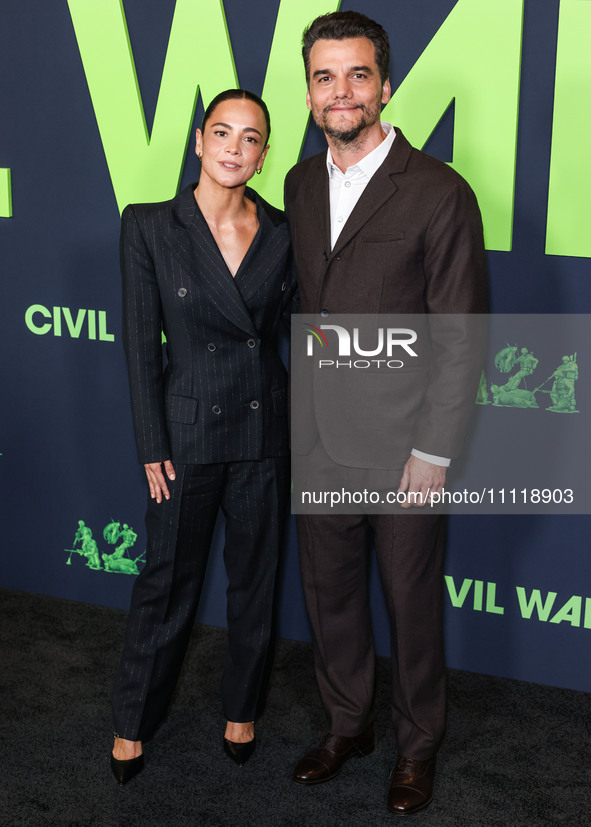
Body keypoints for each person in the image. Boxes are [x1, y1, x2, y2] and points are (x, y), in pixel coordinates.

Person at [284, 12, 487, 816]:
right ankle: (346, 725)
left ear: (384, 85)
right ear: (308, 93)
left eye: (356, 74)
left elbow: (460, 335)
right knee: (329, 596)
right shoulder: (298, 184)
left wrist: (433, 452)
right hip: (317, 442)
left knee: (408, 605)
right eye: (325, 76)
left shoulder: (438, 190)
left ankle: (415, 747)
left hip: (405, 446)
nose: (340, 91)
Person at [110, 89, 295, 784]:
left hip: (260, 431)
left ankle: (241, 709)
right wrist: (151, 443)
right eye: (222, 132)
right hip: (185, 435)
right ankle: (133, 719)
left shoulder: (281, 229)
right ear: (197, 140)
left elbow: (299, 330)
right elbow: (138, 347)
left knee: (254, 583)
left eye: (250, 139)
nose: (233, 148)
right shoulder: (150, 226)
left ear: (263, 154)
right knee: (165, 586)